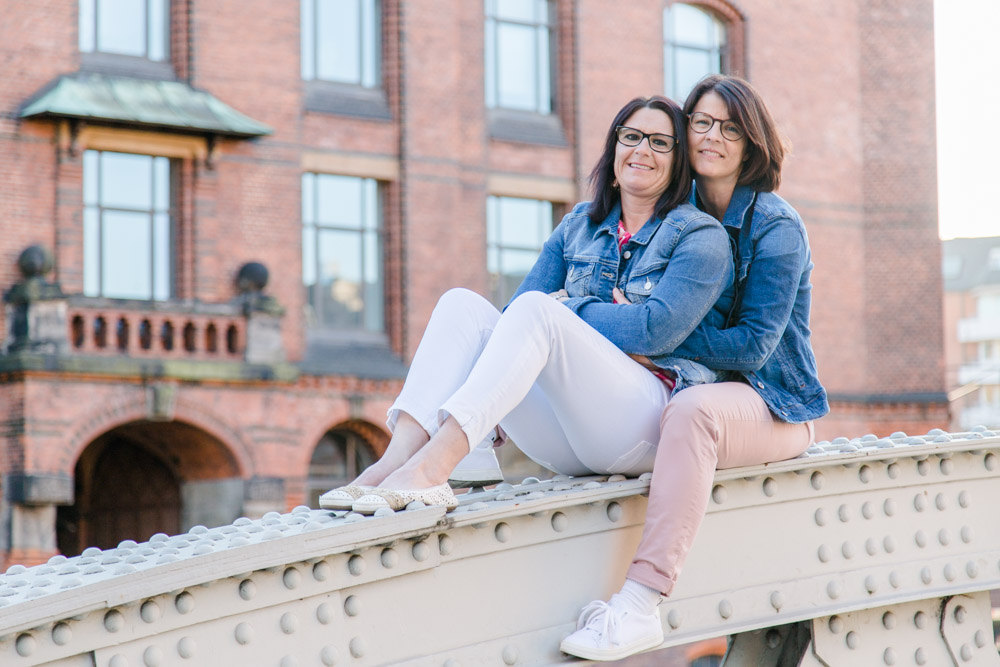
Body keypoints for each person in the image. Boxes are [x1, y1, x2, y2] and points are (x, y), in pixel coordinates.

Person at [318, 95, 735, 514]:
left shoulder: (700, 236)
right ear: (614, 150)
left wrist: (569, 308)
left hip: (642, 430)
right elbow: (515, 317)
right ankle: (397, 461)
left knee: (541, 311)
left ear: (679, 161)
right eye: (631, 136)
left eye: (661, 142)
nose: (642, 149)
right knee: (463, 305)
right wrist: (607, 319)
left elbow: (654, 331)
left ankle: (434, 469)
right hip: (565, 438)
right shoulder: (579, 225)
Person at [560, 75, 829, 661]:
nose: (712, 136)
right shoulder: (674, 217)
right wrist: (636, 325)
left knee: (692, 413)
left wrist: (657, 328)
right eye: (701, 123)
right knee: (675, 405)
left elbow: (754, 347)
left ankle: (641, 601)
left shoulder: (776, 226)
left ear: (752, 142)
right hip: (693, 386)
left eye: (729, 127)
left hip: (773, 402)